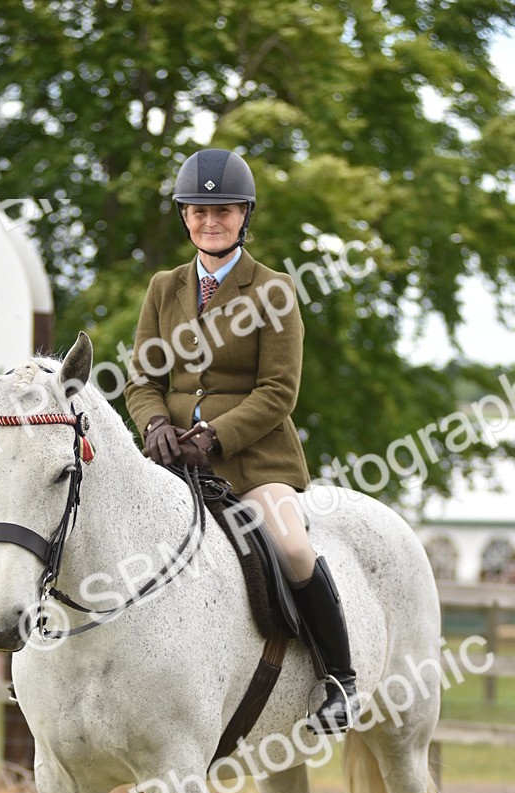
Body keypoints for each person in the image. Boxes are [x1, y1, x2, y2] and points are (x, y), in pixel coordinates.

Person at [124, 148, 358, 733]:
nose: (210, 221)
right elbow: (142, 378)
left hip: (252, 461)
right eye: (199, 211)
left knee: (295, 548)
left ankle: (339, 680)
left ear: (243, 215)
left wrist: (216, 437)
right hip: (171, 459)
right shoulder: (163, 287)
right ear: (185, 217)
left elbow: (280, 391)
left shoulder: (274, 289)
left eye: (222, 211)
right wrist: (154, 427)